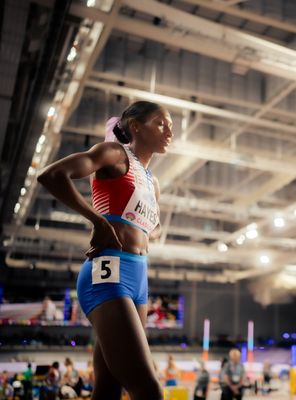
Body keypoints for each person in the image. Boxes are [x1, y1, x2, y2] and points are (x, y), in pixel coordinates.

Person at [37, 101, 173, 400]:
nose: (169, 131)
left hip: (139, 279)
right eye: (161, 123)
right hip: (108, 275)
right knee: (149, 390)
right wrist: (96, 220)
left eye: (171, 126)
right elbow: (51, 175)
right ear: (135, 126)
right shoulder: (113, 154)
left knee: (108, 390)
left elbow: (143, 227)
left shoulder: (154, 183)